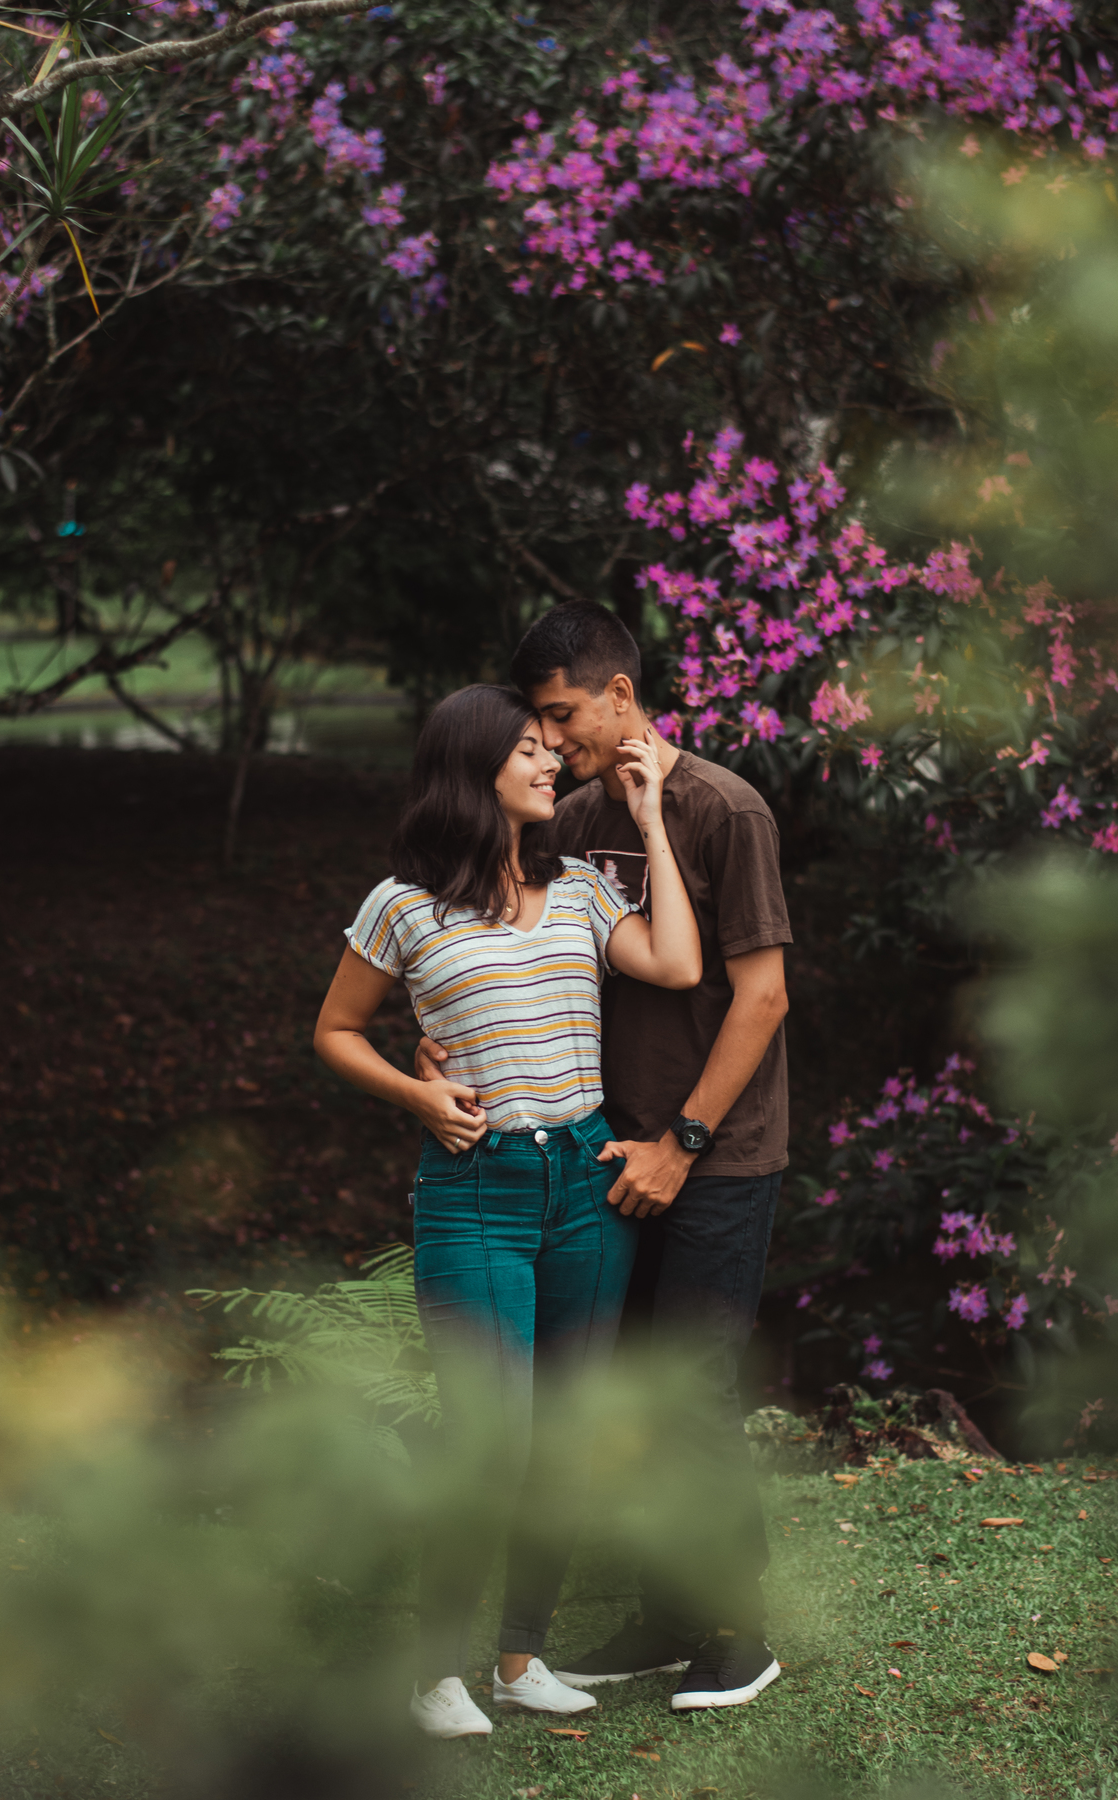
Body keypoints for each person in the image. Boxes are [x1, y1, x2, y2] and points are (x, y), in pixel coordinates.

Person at [417, 604, 792, 1713]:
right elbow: (505, 940)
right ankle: (667, 1614)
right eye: (537, 718)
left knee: (690, 1388)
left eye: (561, 712)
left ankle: (739, 1632)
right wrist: (438, 1042)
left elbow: (761, 995)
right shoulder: (573, 816)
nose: (548, 736)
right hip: (603, 1153)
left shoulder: (726, 809)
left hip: (715, 1154)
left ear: (620, 696)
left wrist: (682, 1142)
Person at [313, 683, 701, 1740]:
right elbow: (338, 1031)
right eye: (529, 751)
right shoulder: (403, 905)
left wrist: (655, 819)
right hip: (476, 1193)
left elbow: (678, 962)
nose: (549, 765)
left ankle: (519, 1658)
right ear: (472, 771)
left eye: (548, 746)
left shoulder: (578, 886)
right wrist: (419, 1092)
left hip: (584, 1185)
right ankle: (433, 1671)